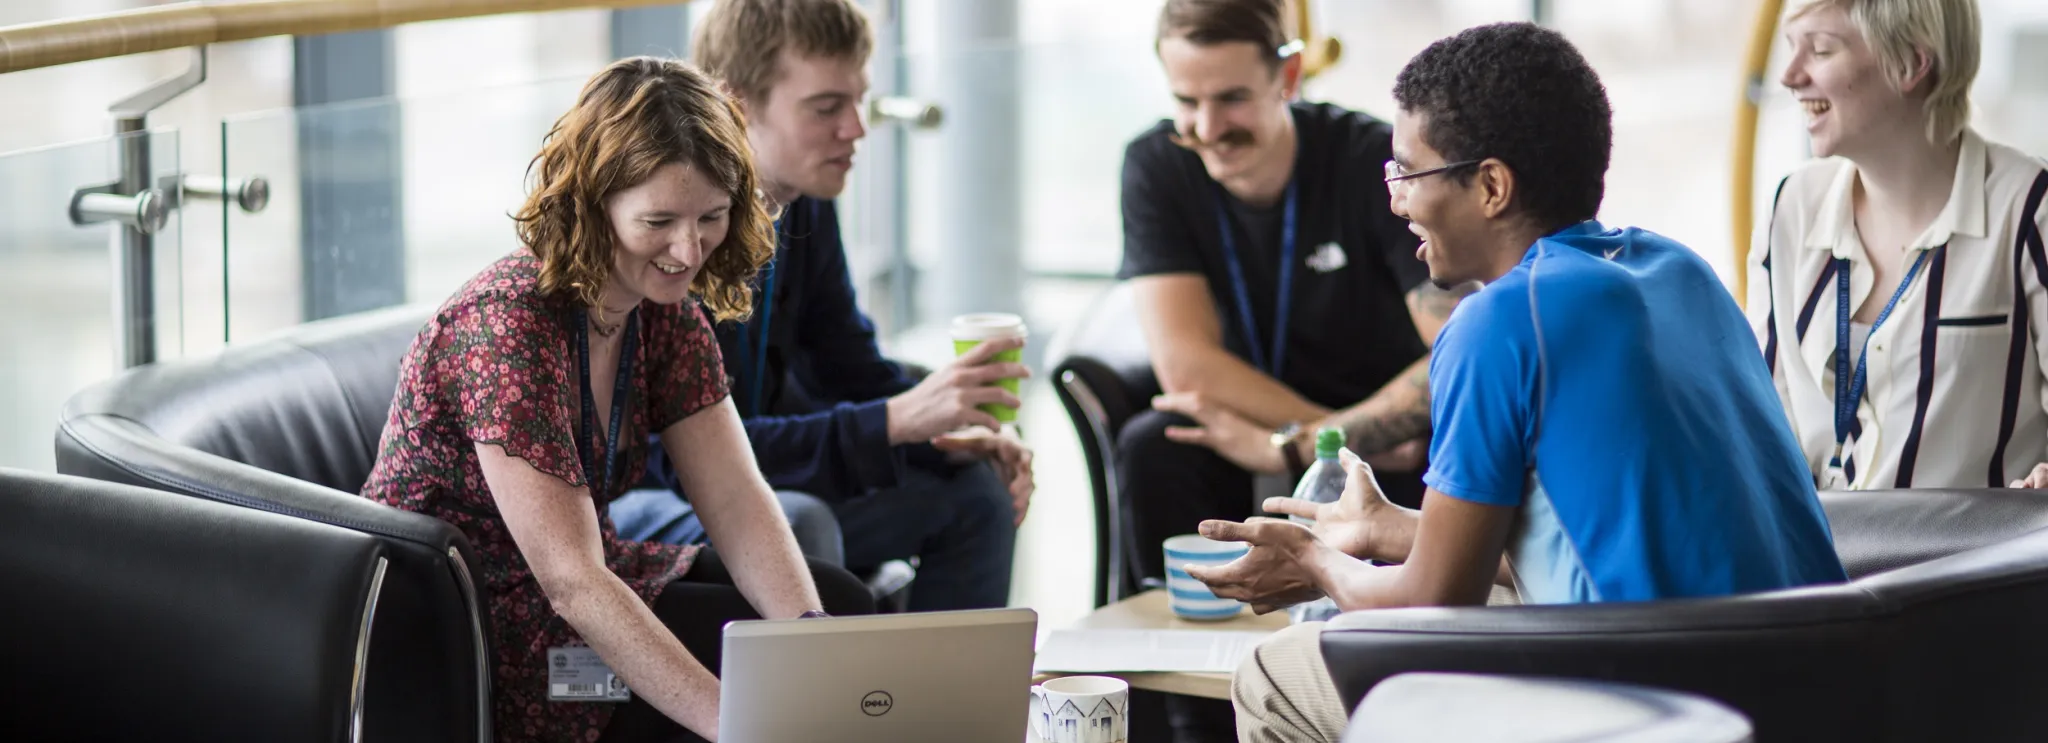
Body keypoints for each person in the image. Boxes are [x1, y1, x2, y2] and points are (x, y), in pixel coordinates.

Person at [1185, 23, 1849, 743]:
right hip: (1803, 689)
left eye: (1407, 173)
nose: (1396, 200)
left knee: (1272, 674)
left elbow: (1431, 605)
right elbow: (1599, 538)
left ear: (1492, 186)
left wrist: (1313, 561)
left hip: (1656, 702)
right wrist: (1392, 528)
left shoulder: (1497, 322)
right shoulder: (1678, 271)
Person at [362, 58, 874, 743]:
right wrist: (739, 723)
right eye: (659, 219)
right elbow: (571, 582)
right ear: (592, 203)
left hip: (577, 602)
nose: (687, 249)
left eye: (711, 217)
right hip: (469, 630)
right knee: (728, 701)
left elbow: (736, 498)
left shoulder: (658, 308)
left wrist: (813, 645)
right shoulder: (504, 325)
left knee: (837, 606)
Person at [610, 0, 1033, 612]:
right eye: (827, 107)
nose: (856, 128)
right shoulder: (678, 233)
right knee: (799, 523)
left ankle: (945, 706)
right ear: (736, 105)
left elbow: (851, 368)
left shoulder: (802, 204)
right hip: (656, 492)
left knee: (973, 494)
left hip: (762, 477)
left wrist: (953, 428)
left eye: (858, 100)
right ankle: (833, 706)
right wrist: (896, 422)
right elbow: (688, 458)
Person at [1117, 0, 1467, 604]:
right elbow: (1188, 365)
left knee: (1449, 440)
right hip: (1281, 424)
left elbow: (1465, 349)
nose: (1206, 127)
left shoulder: (1368, 160)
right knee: (1156, 443)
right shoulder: (1157, 165)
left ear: (1288, 75)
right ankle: (1175, 686)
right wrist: (1314, 437)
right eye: (1185, 101)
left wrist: (1306, 445)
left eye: (1231, 98)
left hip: (1383, 428)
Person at [1747, 0, 2048, 491]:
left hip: (1975, 567)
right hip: (1821, 562)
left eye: (1821, 50)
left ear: (1909, 61)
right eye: (1790, 49)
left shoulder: (2030, 208)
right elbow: (1762, 429)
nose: (1789, 76)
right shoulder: (1788, 210)